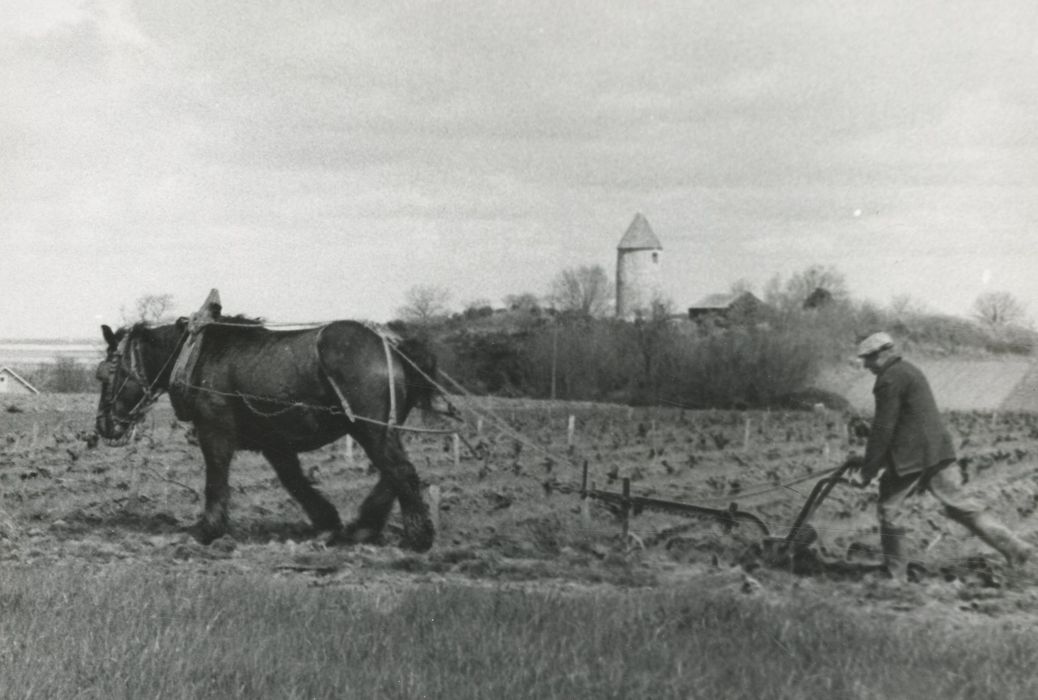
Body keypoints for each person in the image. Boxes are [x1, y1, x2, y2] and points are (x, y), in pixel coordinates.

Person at [847, 331, 1032, 581]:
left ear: (884, 353)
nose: (867, 364)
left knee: (889, 511)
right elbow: (905, 422)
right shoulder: (909, 370)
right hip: (938, 451)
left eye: (869, 358)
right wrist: (870, 460)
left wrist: (866, 472)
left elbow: (884, 429)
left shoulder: (888, 379)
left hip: (911, 457)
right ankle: (1016, 548)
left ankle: (894, 574)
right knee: (960, 506)